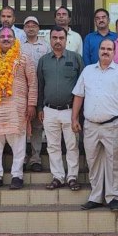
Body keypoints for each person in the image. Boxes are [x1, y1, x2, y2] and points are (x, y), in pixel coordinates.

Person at [73, 38, 118, 211]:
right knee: (93, 162)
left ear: (114, 52)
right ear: (98, 51)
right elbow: (79, 95)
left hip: (113, 124)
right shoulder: (87, 71)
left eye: (109, 49)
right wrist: (74, 118)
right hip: (90, 125)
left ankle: (113, 197)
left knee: (114, 163)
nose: (105, 51)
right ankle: (96, 197)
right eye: (103, 48)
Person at [0, 27, 38, 190]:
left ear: (15, 39)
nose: (6, 38)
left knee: (18, 142)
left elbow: (33, 82)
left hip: (17, 107)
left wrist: (31, 104)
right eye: (2, 36)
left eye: (9, 36)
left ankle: (17, 176)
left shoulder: (23, 57)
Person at [37, 26, 84, 191]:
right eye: (54, 38)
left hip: (70, 111)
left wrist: (79, 114)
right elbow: (40, 85)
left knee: (72, 145)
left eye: (61, 38)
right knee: (53, 146)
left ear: (66, 40)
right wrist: (39, 108)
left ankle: (72, 177)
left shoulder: (76, 58)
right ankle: (57, 177)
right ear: (50, 39)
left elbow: (82, 86)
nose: (58, 41)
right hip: (49, 110)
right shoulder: (43, 60)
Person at [21, 16, 51, 172]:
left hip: (40, 89)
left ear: (39, 28)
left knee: (37, 126)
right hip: (21, 91)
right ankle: (21, 158)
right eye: (28, 25)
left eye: (34, 25)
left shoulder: (46, 46)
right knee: (21, 125)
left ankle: (35, 158)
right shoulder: (17, 46)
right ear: (24, 29)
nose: (31, 28)